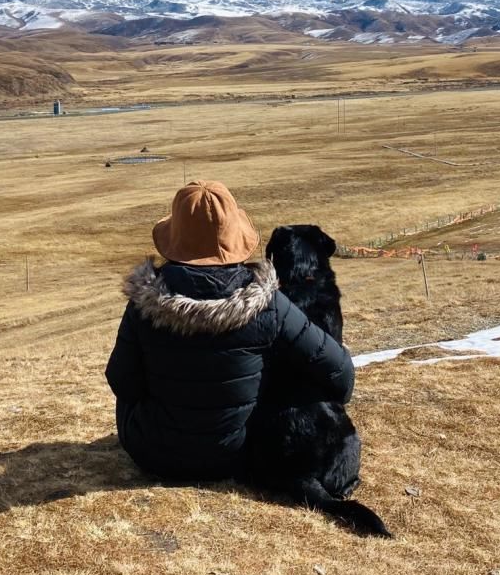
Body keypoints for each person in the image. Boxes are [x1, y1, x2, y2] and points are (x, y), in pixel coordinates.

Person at [105, 180, 354, 482]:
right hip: (237, 454)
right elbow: (341, 375)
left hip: (153, 453)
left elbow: (121, 380)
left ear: (175, 237)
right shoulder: (270, 304)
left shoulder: (143, 303)